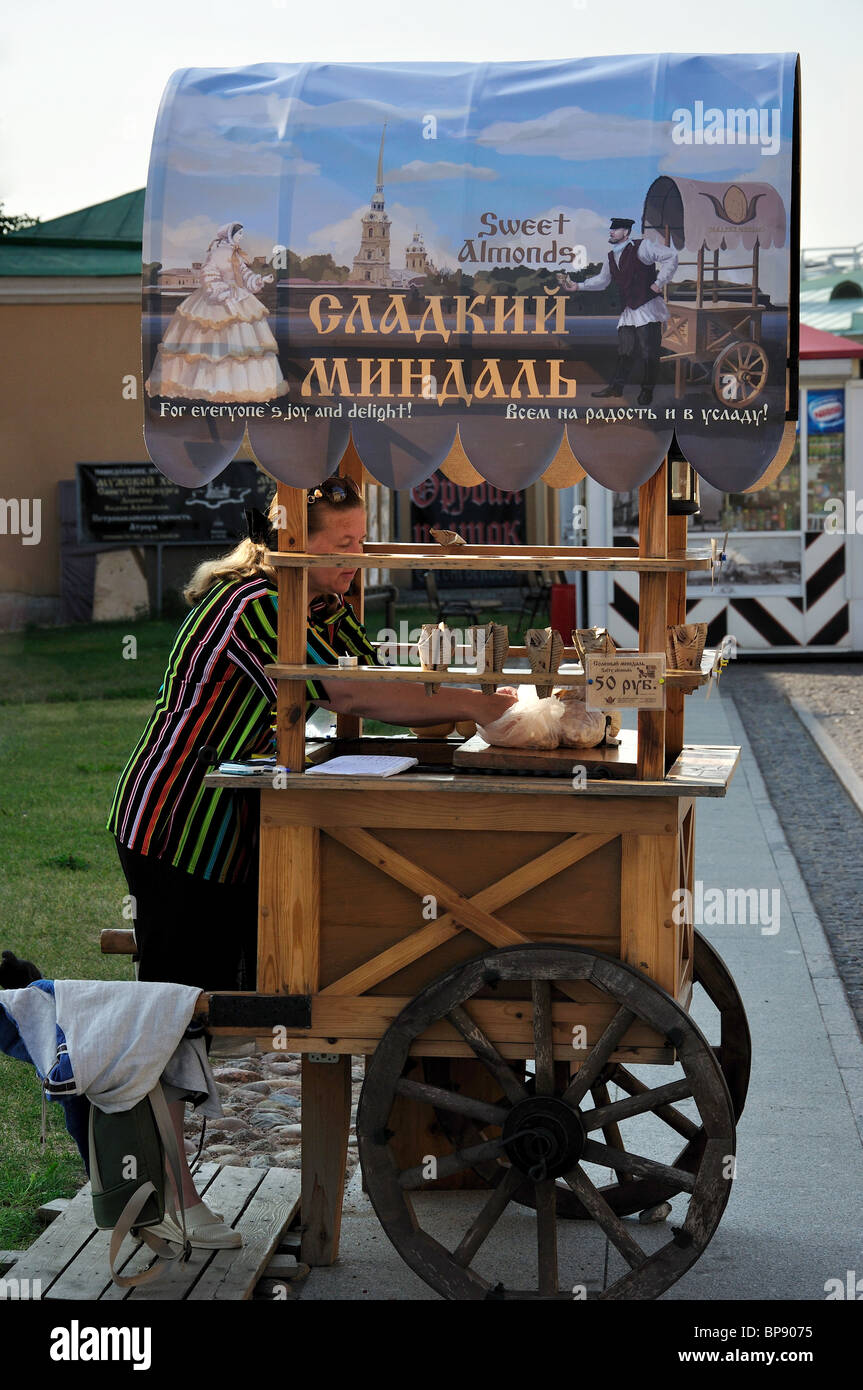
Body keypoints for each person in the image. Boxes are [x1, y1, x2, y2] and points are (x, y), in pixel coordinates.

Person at [107, 475, 516, 1247]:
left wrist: (468, 692)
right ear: (291, 540)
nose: (356, 561)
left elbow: (384, 684)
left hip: (232, 828)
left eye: (363, 543)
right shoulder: (257, 605)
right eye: (343, 547)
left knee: (216, 1001)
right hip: (175, 828)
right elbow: (351, 695)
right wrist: (477, 705)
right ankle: (163, 1197)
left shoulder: (319, 603)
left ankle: (159, 1183)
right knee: (170, 1015)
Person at [145, 221, 288, 403]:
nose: (242, 237)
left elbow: (244, 275)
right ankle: (209, 386)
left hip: (238, 298)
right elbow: (209, 276)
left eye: (242, 234)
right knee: (210, 346)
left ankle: (237, 387)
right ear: (230, 235)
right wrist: (223, 293)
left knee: (242, 344)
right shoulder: (217, 254)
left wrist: (260, 280)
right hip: (217, 301)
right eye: (239, 234)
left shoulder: (237, 255)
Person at [557, 217, 678, 405]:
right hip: (629, 310)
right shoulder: (611, 256)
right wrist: (578, 286)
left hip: (648, 307)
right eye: (611, 229)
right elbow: (602, 281)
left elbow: (671, 256)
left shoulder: (643, 247)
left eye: (616, 229)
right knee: (625, 350)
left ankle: (647, 391)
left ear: (626, 232)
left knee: (649, 351)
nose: (611, 232)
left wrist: (658, 282)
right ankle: (616, 387)